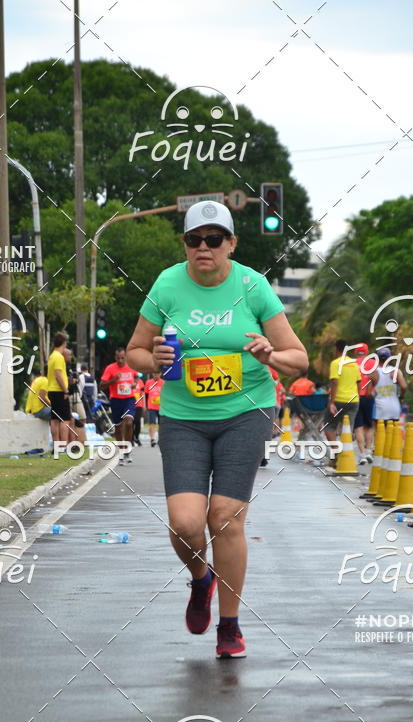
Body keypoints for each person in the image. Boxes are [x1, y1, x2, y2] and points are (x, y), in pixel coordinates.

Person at [126, 199, 308, 659]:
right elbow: (135, 351)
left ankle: (230, 625)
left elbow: (298, 359)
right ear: (185, 245)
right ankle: (201, 579)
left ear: (231, 243)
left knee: (224, 518)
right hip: (184, 417)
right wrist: (155, 360)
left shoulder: (253, 286)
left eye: (213, 239)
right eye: (194, 240)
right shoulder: (168, 283)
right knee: (186, 523)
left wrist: (269, 355)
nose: (203, 248)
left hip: (246, 412)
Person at [100, 347, 138, 464]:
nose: (120, 360)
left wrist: (134, 384)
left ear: (125, 357)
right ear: (115, 357)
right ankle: (121, 451)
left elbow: (136, 377)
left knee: (128, 422)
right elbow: (102, 385)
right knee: (118, 427)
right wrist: (113, 380)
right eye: (118, 358)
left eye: (122, 358)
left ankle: (127, 450)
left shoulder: (131, 366)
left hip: (129, 399)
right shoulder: (110, 368)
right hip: (116, 400)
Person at [325, 339, 360, 443]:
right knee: (348, 428)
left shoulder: (335, 363)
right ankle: (346, 455)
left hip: (338, 401)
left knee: (329, 426)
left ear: (336, 349)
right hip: (353, 401)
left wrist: (332, 402)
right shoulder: (354, 364)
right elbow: (359, 383)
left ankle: (336, 452)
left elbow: (335, 382)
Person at [369, 346, 407, 426]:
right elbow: (404, 386)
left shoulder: (373, 373)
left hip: (380, 409)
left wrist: (375, 396)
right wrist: (401, 396)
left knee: (380, 435)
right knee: (393, 435)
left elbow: (368, 393)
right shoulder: (395, 371)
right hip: (394, 408)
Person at [47, 332, 72, 449]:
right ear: (64, 343)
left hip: (51, 390)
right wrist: (65, 390)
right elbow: (58, 375)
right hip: (59, 391)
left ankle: (56, 445)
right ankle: (63, 445)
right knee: (65, 419)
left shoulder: (52, 356)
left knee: (55, 418)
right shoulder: (59, 357)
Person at [352, 343, 375, 464]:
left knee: (358, 427)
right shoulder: (372, 363)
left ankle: (362, 454)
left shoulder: (351, 363)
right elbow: (375, 378)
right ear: (367, 351)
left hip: (355, 397)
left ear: (356, 352)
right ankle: (368, 451)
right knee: (369, 426)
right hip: (369, 396)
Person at [63, 347, 85, 447]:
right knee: (69, 420)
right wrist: (70, 380)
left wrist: (76, 380)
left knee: (82, 417)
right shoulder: (61, 366)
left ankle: (79, 441)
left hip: (75, 394)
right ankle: (72, 443)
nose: (71, 357)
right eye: (69, 355)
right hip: (66, 395)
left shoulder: (71, 367)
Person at [144, 371, 162, 446]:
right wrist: (145, 405)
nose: (156, 375)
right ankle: (152, 439)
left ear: (160, 374)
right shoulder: (148, 382)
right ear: (152, 374)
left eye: (158, 373)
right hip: (151, 406)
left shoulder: (163, 383)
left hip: (161, 407)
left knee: (161, 424)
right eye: (154, 373)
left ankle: (160, 438)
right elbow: (145, 394)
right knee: (152, 423)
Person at [133, 373, 145, 446]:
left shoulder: (141, 382)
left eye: (138, 377)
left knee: (137, 422)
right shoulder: (129, 381)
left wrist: (144, 405)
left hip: (139, 405)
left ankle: (136, 437)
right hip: (130, 405)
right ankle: (131, 438)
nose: (137, 378)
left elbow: (142, 394)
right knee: (131, 422)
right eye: (136, 377)